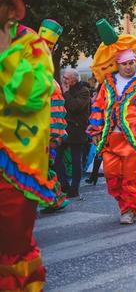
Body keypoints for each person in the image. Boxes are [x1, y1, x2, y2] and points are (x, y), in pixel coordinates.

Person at [0, 0, 56, 290]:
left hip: (15, 165)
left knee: (12, 241)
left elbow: (32, 95)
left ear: (10, 10)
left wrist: (3, 51)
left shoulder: (31, 44)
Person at [87, 19, 136, 224]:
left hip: (133, 139)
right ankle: (124, 204)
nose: (129, 67)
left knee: (131, 176)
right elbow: (99, 108)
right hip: (111, 138)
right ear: (117, 64)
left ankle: (130, 208)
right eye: (125, 64)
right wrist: (94, 131)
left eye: (131, 63)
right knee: (112, 175)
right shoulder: (108, 84)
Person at [38, 19, 70, 213]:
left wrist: (55, 135)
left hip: (43, 136)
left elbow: (56, 112)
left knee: (44, 167)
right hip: (30, 135)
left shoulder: (51, 84)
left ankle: (54, 198)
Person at [54, 68, 90, 198]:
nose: (64, 80)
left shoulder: (84, 91)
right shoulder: (62, 90)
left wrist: (67, 92)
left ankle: (74, 189)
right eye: (63, 77)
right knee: (57, 158)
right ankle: (64, 185)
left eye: (67, 78)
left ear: (74, 79)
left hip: (77, 131)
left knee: (76, 160)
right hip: (63, 129)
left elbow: (75, 107)